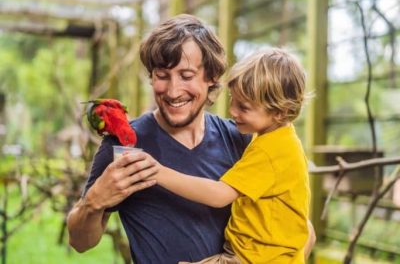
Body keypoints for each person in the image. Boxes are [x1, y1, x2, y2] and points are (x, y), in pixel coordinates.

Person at [67, 14, 315, 264]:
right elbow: (80, 242)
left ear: (211, 77)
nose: (173, 91)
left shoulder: (241, 139)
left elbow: (302, 232)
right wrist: (93, 203)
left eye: (186, 75)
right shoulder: (124, 145)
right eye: (162, 75)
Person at [148, 48, 312, 263]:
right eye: (232, 99)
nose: (232, 111)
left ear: (278, 111)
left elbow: (219, 195)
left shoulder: (270, 150)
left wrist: (156, 172)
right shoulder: (282, 138)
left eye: (244, 107)